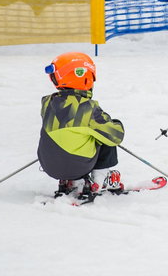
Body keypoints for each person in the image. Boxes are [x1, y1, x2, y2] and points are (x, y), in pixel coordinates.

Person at [37, 52, 125, 198]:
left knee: (71, 137)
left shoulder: (47, 103)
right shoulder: (88, 109)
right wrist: (115, 123)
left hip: (49, 165)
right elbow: (117, 136)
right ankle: (99, 180)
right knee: (105, 136)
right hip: (79, 166)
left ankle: (71, 181)